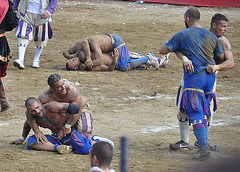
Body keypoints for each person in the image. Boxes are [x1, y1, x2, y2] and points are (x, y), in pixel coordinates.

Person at [159, 8, 224, 160]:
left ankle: (203, 148)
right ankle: (202, 143)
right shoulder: (212, 36)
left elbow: (162, 50)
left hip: (194, 78)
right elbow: (220, 57)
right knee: (205, 111)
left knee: (195, 112)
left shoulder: (182, 35)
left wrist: (181, 53)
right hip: (210, 78)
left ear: (187, 19)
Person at [169, 13, 234, 150]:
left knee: (206, 111)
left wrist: (217, 67)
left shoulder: (223, 41)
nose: (225, 29)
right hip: (193, 76)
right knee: (183, 109)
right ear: (214, 25)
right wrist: (185, 58)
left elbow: (230, 62)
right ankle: (185, 141)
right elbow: (178, 47)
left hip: (208, 79)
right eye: (223, 26)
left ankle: (201, 142)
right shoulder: (202, 35)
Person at [11, 97, 114, 154]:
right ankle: (59, 148)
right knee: (32, 141)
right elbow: (27, 123)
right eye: (33, 110)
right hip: (57, 137)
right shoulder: (32, 117)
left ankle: (96, 140)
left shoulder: (53, 107)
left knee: (85, 149)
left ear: (39, 103)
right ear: (29, 111)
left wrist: (67, 126)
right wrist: (22, 138)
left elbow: (75, 109)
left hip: (69, 132)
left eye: (37, 107)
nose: (37, 111)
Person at [63, 34, 170, 71]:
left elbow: (99, 60)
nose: (72, 60)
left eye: (71, 60)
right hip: (112, 53)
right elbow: (66, 51)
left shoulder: (92, 43)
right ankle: (150, 59)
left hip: (116, 42)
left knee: (124, 66)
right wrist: (67, 55)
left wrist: (87, 61)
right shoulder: (81, 50)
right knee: (128, 61)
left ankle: (148, 58)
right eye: (72, 62)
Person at [12, 0, 58, 69]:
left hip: (42, 16)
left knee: (41, 37)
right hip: (26, 13)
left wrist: (49, 11)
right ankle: (21, 59)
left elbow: (54, 1)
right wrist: (14, 9)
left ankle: (36, 59)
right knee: (22, 35)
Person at [0, 0, 16, 112]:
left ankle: (4, 100)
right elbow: (11, 24)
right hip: (1, 41)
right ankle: (4, 100)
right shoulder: (6, 2)